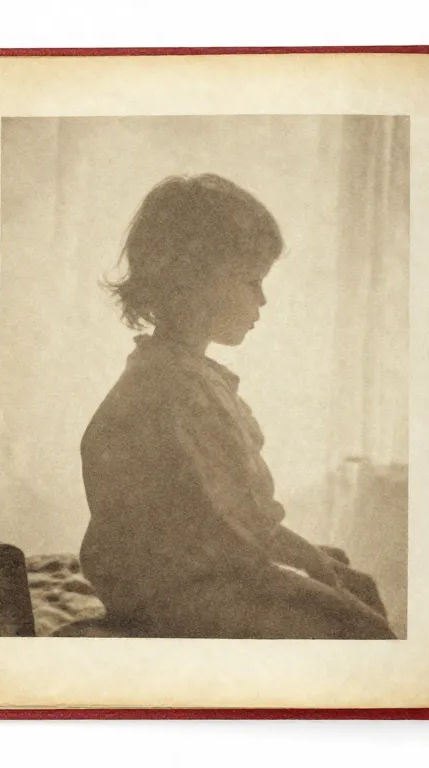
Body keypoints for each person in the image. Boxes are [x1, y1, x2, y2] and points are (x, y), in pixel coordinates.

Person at [78, 173, 395, 640]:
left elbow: (238, 518)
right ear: (196, 282)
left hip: (197, 570)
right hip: (178, 591)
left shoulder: (185, 376)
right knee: (359, 624)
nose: (262, 299)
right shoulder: (173, 392)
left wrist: (314, 561)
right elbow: (235, 527)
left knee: (349, 578)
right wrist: (309, 565)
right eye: (252, 281)